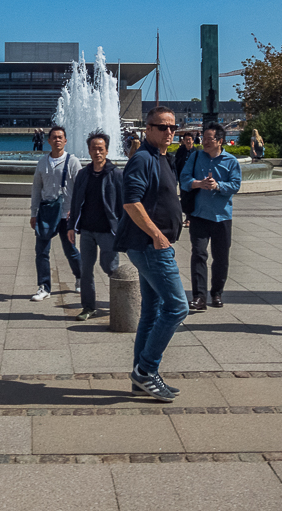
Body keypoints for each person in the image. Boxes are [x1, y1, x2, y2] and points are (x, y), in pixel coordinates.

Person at [114, 105, 187, 402]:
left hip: (154, 245)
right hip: (150, 247)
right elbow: (131, 202)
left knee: (152, 312)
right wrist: (157, 234)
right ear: (148, 129)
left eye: (173, 127)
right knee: (177, 307)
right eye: (161, 127)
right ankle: (145, 371)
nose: (169, 132)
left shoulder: (163, 158)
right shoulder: (142, 159)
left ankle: (140, 378)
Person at [180, 123, 242, 312]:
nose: (205, 142)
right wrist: (198, 183)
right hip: (199, 215)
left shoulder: (231, 161)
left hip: (222, 216)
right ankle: (199, 297)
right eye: (203, 138)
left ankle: (216, 293)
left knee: (221, 258)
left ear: (220, 141)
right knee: (199, 254)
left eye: (209, 139)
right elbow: (183, 179)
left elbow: (235, 186)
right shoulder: (196, 156)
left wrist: (218, 186)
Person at [67, 131, 124, 321]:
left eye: (101, 149)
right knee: (86, 270)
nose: (97, 152)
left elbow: (123, 204)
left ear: (107, 151)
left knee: (110, 268)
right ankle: (88, 307)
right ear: (89, 151)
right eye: (94, 149)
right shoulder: (83, 174)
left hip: (108, 231)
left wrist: (124, 229)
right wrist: (71, 226)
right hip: (87, 231)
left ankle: (121, 303)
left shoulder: (116, 174)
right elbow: (75, 202)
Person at [29, 125, 83, 301]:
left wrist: (76, 213)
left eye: (60, 137)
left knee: (70, 250)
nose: (57, 140)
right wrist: (33, 212)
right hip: (46, 213)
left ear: (65, 141)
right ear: (49, 140)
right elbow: (37, 188)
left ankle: (81, 277)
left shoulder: (73, 162)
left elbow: (81, 189)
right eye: (54, 137)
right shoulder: (42, 162)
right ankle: (44, 287)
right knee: (41, 251)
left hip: (66, 215)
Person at [173, 131, 197, 229]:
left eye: (189, 139)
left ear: (193, 140)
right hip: (182, 178)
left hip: (192, 179)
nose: (187, 141)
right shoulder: (181, 150)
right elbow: (176, 163)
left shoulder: (196, 152)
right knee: (183, 197)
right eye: (186, 139)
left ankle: (189, 218)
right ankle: (187, 217)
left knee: (190, 198)